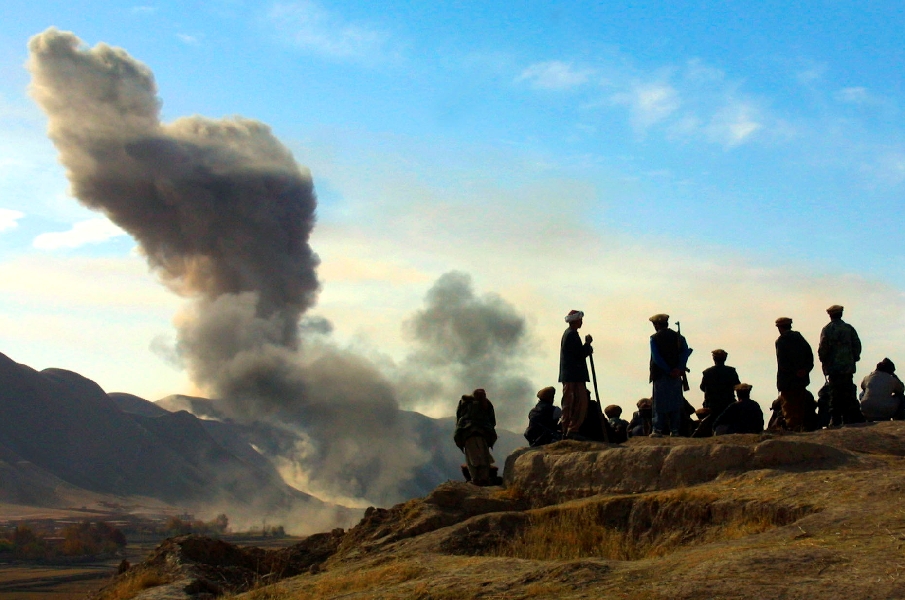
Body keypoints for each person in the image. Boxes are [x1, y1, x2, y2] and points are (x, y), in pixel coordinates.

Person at [818, 305, 865, 426]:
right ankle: (848, 418)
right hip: (847, 367)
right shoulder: (848, 328)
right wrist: (854, 358)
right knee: (848, 391)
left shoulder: (827, 330)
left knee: (835, 393)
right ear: (841, 314)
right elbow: (857, 345)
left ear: (830, 315)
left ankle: (836, 419)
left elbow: (823, 348)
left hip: (833, 368)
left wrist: (823, 360)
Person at [648, 314, 692, 437]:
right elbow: (685, 353)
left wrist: (668, 370)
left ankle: (657, 429)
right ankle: (675, 429)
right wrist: (678, 369)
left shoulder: (654, 338)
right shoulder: (679, 337)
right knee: (675, 402)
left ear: (656, 325)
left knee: (659, 402)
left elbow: (656, 358)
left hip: (660, 374)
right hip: (676, 374)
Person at [774, 317, 817, 431]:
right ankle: (801, 427)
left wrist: (793, 372)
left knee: (789, 407)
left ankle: (793, 428)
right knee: (800, 405)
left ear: (779, 327)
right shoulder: (800, 339)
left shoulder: (781, 341)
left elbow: (782, 362)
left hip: (787, 381)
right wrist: (805, 370)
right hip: (801, 380)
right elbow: (810, 356)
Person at [559, 310, 593, 438]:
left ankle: (568, 429)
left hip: (572, 375)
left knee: (572, 402)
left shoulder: (570, 334)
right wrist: (588, 345)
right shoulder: (571, 335)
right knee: (577, 402)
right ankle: (571, 429)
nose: (581, 322)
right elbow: (579, 354)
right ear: (574, 321)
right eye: (580, 320)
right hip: (573, 375)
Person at [453, 389, 498, 486]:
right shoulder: (486, 404)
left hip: (467, 434)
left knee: (471, 459)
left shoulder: (464, 403)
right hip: (482, 434)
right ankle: (482, 479)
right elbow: (492, 420)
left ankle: (475, 479)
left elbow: (458, 417)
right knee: (483, 458)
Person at [699, 349, 740, 421]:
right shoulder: (731, 371)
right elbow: (737, 386)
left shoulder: (707, 372)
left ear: (714, 359)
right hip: (728, 403)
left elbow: (702, 387)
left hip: (711, 405)